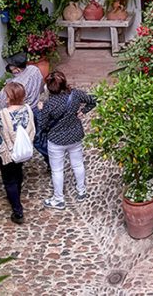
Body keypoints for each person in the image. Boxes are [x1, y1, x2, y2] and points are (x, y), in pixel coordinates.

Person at [40, 71, 96, 210]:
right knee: (78, 164)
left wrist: (41, 110)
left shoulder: (49, 104)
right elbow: (93, 100)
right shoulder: (75, 95)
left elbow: (43, 124)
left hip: (56, 140)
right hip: (74, 135)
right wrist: (83, 112)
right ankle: (81, 191)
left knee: (57, 170)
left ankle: (58, 199)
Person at [0, 81, 35, 224]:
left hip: (6, 153)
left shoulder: (1, 115)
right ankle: (16, 196)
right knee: (18, 174)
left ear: (9, 97)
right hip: (21, 151)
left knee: (9, 181)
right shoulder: (27, 109)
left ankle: (17, 211)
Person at [0, 52, 48, 165]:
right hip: (36, 109)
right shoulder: (33, 69)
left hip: (24, 113)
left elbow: (2, 103)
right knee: (39, 138)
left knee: (24, 139)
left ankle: (50, 158)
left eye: (11, 66)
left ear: (17, 69)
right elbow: (41, 87)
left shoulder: (16, 84)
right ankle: (51, 159)